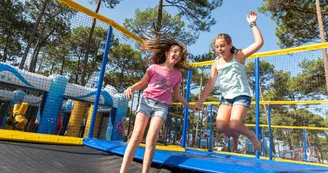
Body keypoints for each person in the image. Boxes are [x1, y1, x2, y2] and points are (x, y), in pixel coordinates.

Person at [120, 38, 195, 173]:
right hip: (146, 102)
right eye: (175, 51)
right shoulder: (153, 68)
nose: (177, 54)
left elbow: (177, 96)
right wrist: (131, 88)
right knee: (136, 135)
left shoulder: (177, 74)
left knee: (152, 138)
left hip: (162, 106)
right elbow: (142, 83)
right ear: (167, 53)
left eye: (179, 53)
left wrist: (190, 106)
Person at [194, 10, 263, 152]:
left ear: (230, 45)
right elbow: (210, 83)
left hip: (241, 94)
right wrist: (201, 101)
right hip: (226, 97)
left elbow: (259, 42)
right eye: (217, 47)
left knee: (235, 123)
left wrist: (252, 24)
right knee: (221, 125)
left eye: (223, 46)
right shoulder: (216, 63)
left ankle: (252, 137)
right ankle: (235, 136)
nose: (220, 49)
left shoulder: (239, 56)